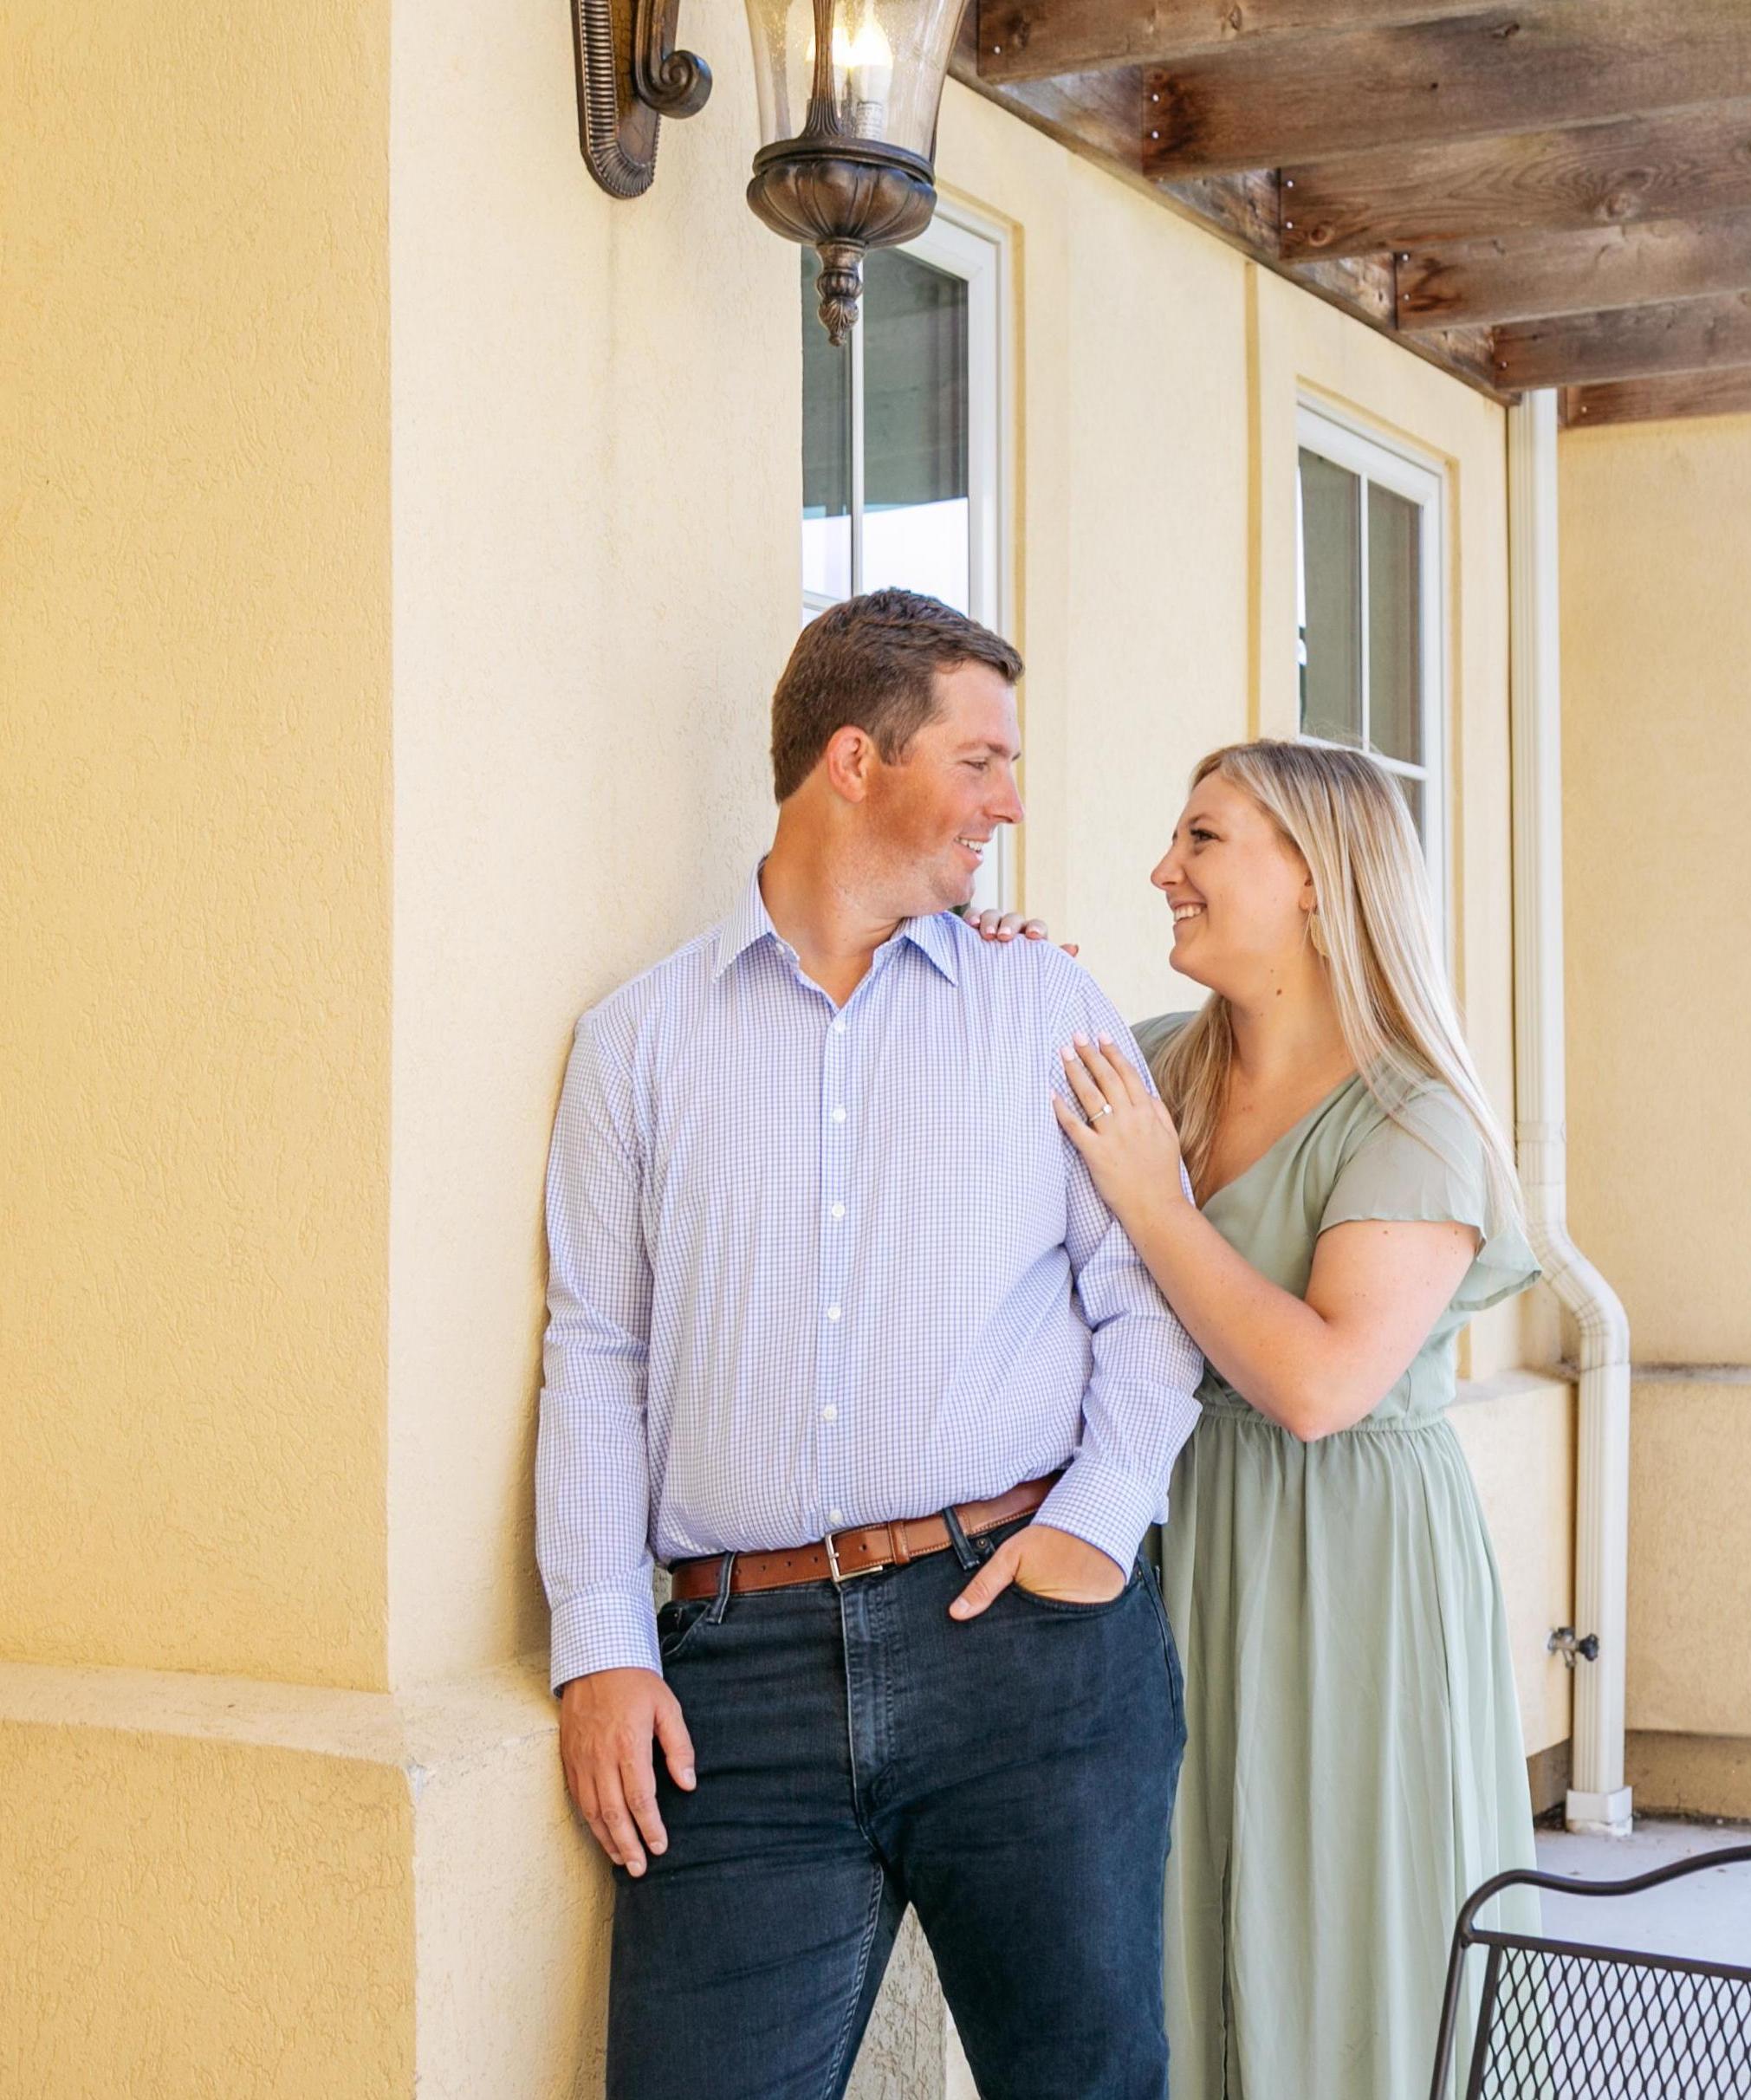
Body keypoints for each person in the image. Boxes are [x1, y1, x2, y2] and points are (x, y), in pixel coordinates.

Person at [535, 589, 1203, 2100]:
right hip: (733, 1694)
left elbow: (1143, 1294)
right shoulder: (637, 1043)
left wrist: (1099, 1523)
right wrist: (601, 1646)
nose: (1010, 802)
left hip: (1021, 1648)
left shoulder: (1045, 1001)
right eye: (980, 760)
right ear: (854, 760)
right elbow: (598, 1357)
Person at [970, 738, 1541, 2100]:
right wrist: (999, 983)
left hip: (1345, 1565)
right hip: (1169, 1538)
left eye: (1203, 840)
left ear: (1314, 877)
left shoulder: (1414, 1116)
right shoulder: (1156, 1065)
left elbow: (1319, 1386)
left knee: (1338, 1923)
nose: (1161, 870)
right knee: (1163, 1917)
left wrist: (1153, 1198)